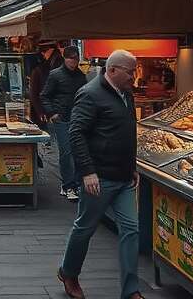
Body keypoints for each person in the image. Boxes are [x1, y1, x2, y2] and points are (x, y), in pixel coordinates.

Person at [59, 50, 140, 299]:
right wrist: (88, 172)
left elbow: (126, 132)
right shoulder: (90, 94)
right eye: (130, 71)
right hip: (99, 177)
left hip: (123, 177)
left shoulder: (126, 93)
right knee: (85, 227)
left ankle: (131, 291)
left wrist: (131, 165)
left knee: (131, 229)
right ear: (113, 70)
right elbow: (76, 134)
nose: (134, 77)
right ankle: (69, 272)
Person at [41, 47, 88, 201]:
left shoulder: (81, 76)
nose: (73, 62)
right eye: (71, 59)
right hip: (61, 118)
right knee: (66, 152)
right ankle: (69, 186)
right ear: (65, 58)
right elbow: (45, 96)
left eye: (75, 59)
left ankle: (70, 184)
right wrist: (52, 114)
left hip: (76, 118)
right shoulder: (55, 75)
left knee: (76, 152)